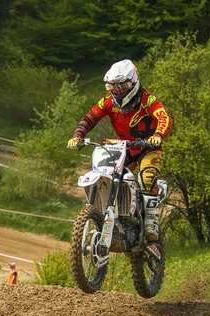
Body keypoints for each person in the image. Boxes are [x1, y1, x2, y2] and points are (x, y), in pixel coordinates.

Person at [67, 59, 172, 242]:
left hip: (148, 147)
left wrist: (158, 135)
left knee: (147, 177)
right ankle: (115, 218)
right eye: (112, 86)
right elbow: (89, 118)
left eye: (121, 86)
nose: (117, 91)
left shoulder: (148, 99)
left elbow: (164, 117)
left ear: (132, 81)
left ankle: (151, 223)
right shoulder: (108, 101)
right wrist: (78, 136)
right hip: (125, 148)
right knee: (109, 176)